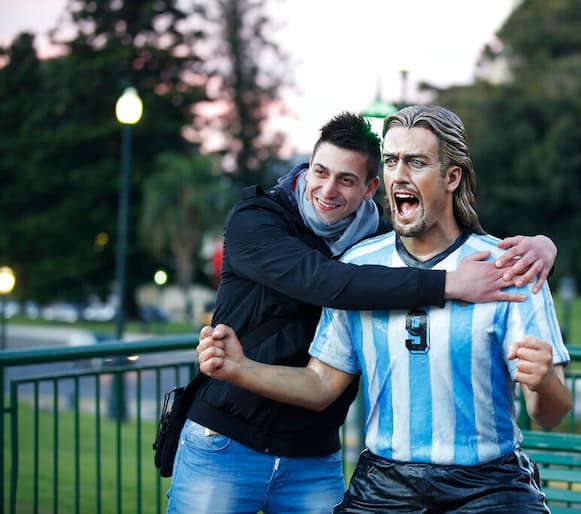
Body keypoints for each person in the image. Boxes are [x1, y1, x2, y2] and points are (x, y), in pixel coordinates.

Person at [170, 111, 557, 514]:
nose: (327, 189)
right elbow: (326, 282)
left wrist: (543, 246)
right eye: (320, 172)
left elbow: (439, 237)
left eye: (346, 179)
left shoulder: (376, 244)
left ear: (370, 189)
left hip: (311, 454)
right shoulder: (258, 220)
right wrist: (448, 284)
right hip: (229, 439)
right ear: (307, 166)